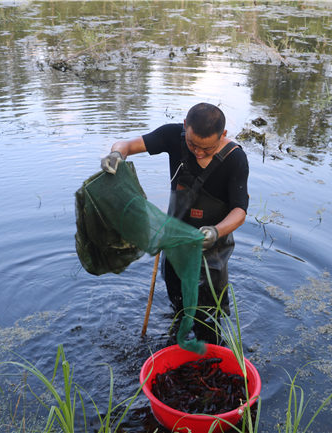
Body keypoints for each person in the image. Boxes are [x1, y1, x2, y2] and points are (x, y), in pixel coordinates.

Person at [100, 103, 249, 343]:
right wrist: (116, 154)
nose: (198, 153)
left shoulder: (235, 159)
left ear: (222, 136)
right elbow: (127, 145)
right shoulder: (172, 136)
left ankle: (208, 349)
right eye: (192, 145)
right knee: (178, 300)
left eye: (207, 148)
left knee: (208, 315)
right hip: (174, 238)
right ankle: (178, 340)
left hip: (211, 245)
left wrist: (214, 232)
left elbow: (239, 211)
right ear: (184, 128)